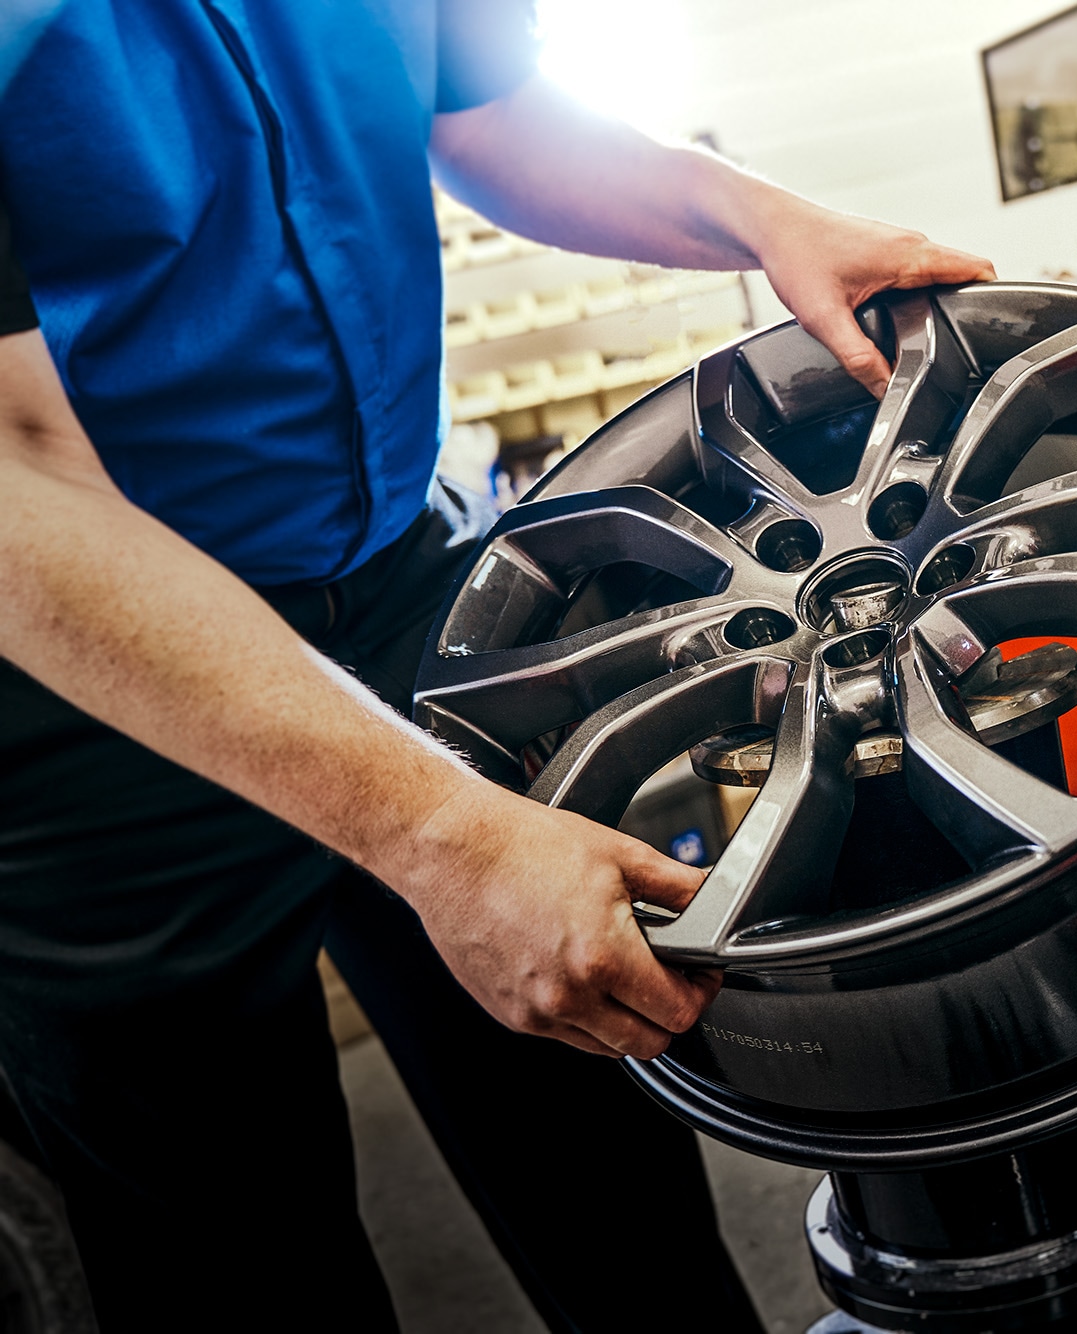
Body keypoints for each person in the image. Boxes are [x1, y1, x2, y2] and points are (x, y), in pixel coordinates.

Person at [0, 2, 995, 1329]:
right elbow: (16, 472)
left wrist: (750, 218)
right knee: (237, 1252)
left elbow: (490, 118)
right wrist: (435, 831)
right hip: (88, 680)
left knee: (595, 1113)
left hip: (395, 568)